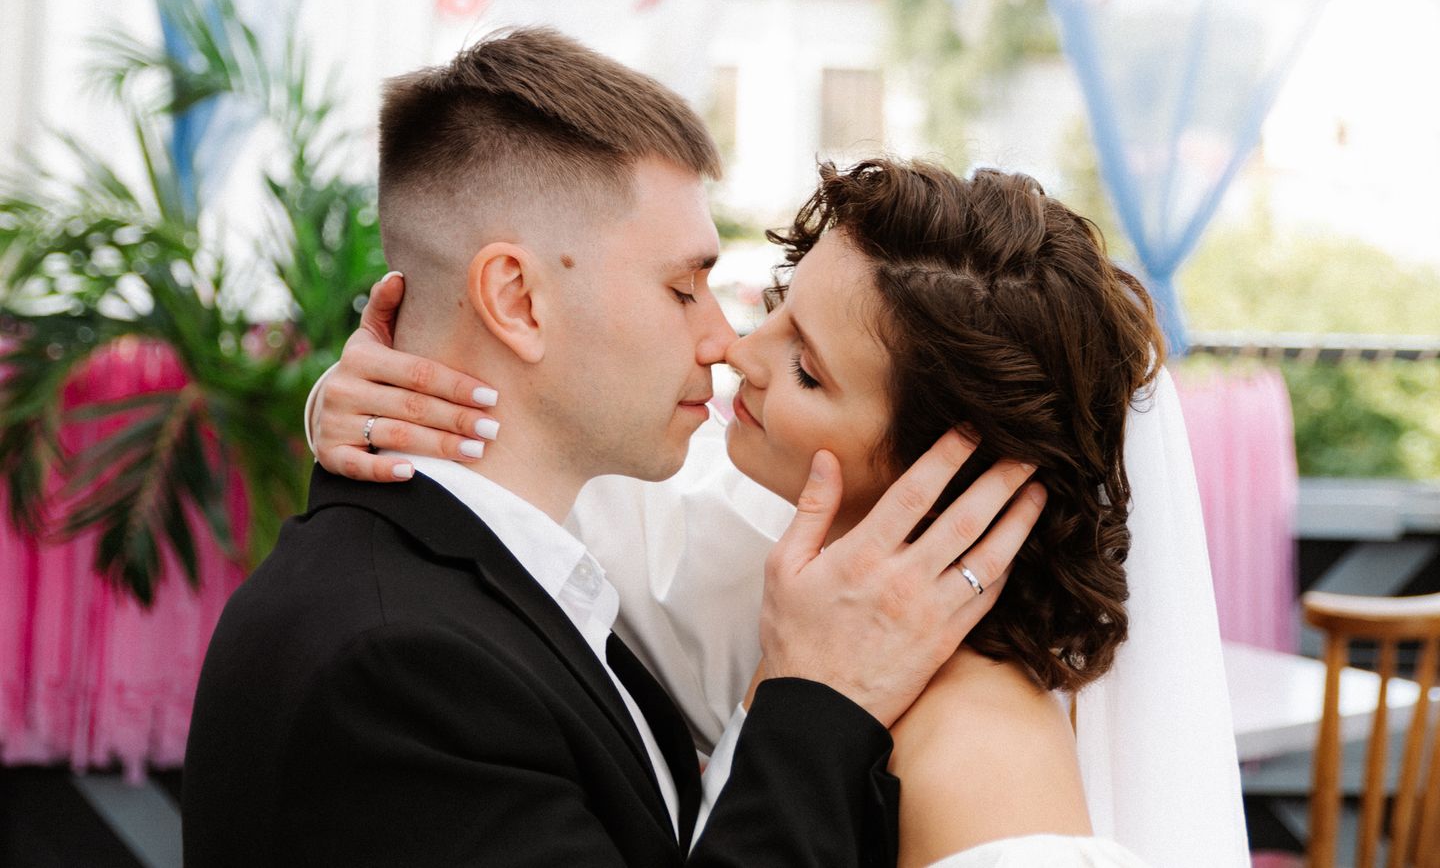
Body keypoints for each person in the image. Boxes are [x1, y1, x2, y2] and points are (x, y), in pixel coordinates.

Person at [310, 76, 1250, 868]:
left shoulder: (982, 759)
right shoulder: (763, 546)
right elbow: (541, 497)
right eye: (776, 306)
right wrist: (375, 398)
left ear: (939, 466)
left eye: (807, 367)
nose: (736, 349)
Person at [183, 29, 1048, 868]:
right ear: (517, 299)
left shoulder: (543, 573)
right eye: (683, 287)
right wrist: (816, 700)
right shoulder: (396, 668)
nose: (724, 342)